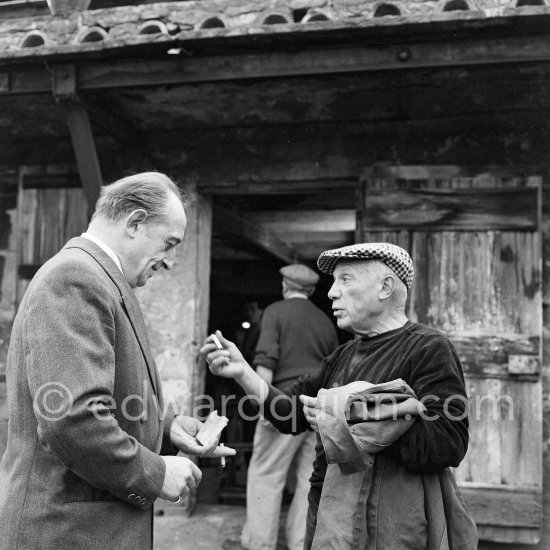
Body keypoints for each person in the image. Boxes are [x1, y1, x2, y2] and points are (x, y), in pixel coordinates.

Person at [0, 172, 234, 550]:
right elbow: (73, 419)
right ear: (135, 223)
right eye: (169, 243)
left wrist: (167, 427)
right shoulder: (76, 278)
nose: (171, 261)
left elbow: (102, 396)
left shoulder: (100, 279)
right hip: (67, 533)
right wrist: (156, 473)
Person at [201, 243, 477, 549]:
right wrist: (243, 373)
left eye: (345, 279)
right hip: (328, 516)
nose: (332, 292)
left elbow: (447, 442)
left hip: (390, 524)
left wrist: (351, 413)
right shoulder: (343, 356)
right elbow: (288, 414)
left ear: (385, 287)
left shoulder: (428, 348)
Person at [240, 264, 338, 550]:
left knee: (266, 474)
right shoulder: (326, 321)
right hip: (317, 407)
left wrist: (263, 408)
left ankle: (259, 544)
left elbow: (265, 363)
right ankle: (300, 543)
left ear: (285, 286)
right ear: (309, 290)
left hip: (282, 402)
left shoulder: (275, 312)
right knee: (308, 479)